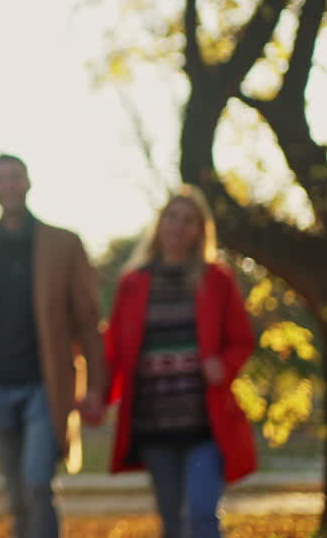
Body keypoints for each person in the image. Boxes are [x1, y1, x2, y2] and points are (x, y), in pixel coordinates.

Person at [0, 154, 106, 538]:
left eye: (16, 177)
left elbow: (87, 319)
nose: (10, 185)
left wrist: (97, 385)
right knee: (16, 494)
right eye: (2, 178)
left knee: (36, 481)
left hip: (46, 387)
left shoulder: (63, 244)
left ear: (28, 183)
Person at [103, 187, 256, 538]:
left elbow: (242, 340)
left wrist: (225, 365)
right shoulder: (133, 283)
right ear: (159, 224)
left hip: (204, 423)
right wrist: (100, 395)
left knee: (202, 515)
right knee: (172, 522)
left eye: (188, 220)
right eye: (172, 217)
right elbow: (115, 350)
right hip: (155, 422)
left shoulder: (217, 280)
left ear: (200, 231)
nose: (178, 226)